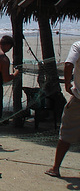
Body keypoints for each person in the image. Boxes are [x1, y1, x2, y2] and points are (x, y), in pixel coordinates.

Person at [46, 41, 80, 178]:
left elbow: (68, 64)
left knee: (66, 133)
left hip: (79, 99)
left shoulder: (78, 45)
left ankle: (55, 168)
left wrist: (67, 83)